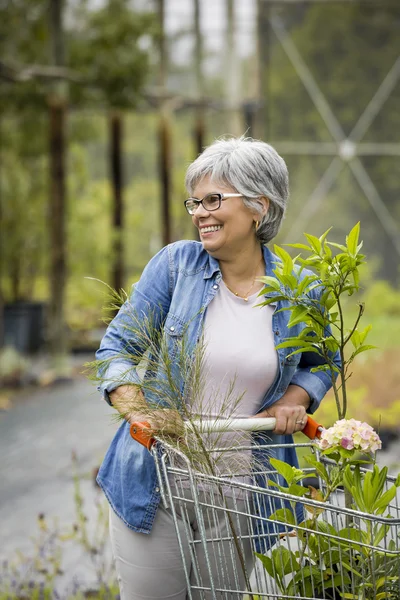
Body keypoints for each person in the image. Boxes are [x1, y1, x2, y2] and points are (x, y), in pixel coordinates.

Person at [95, 136, 340, 600]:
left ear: (258, 207)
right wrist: (141, 412)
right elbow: (116, 350)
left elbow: (325, 358)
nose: (199, 212)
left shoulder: (298, 287)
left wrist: (297, 396)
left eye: (214, 200)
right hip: (158, 482)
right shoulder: (175, 267)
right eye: (195, 201)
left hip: (242, 494)